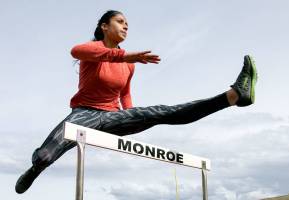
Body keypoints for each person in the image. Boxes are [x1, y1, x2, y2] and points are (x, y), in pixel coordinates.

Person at [15, 10, 258, 194]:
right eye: (120, 22)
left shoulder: (129, 64)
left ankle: (233, 97)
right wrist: (124, 55)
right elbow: (75, 51)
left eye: (127, 25)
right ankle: (35, 169)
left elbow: (125, 95)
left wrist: (131, 117)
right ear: (104, 26)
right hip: (83, 114)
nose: (125, 27)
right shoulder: (94, 49)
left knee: (160, 112)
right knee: (45, 156)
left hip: (112, 116)